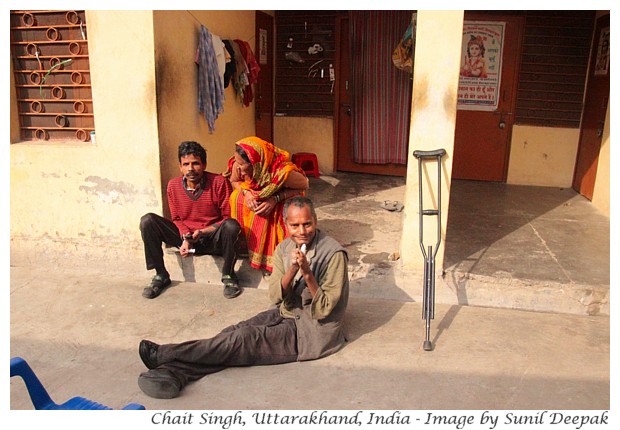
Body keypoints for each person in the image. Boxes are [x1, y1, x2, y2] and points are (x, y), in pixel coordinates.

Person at [136, 196, 349, 399]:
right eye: (295, 225)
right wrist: (293, 269)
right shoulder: (284, 248)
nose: (302, 231)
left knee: (243, 340)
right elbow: (275, 297)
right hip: (286, 311)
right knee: (233, 333)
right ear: (286, 225)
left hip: (310, 331)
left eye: (307, 224)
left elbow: (324, 309)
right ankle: (175, 375)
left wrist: (307, 273)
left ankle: (166, 355)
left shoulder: (333, 254)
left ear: (315, 221)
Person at [139, 141, 242, 300]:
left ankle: (229, 275)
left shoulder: (219, 182)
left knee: (231, 226)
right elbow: (177, 218)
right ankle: (161, 274)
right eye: (185, 164)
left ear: (204, 164)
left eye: (195, 163)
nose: (190, 169)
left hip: (211, 238)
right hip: (187, 237)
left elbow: (227, 217)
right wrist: (186, 238)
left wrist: (202, 232)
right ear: (180, 166)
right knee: (148, 221)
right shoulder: (173, 186)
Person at [223, 136, 309, 274]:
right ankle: (246, 246)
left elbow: (303, 187)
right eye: (237, 163)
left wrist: (275, 198)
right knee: (236, 198)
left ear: (255, 164)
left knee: (286, 207)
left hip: (280, 198)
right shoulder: (237, 165)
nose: (238, 167)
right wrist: (246, 193)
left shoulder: (282, 173)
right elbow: (234, 181)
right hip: (255, 197)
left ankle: (279, 252)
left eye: (242, 165)